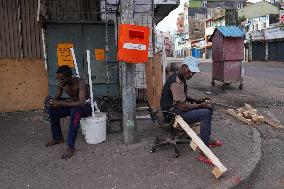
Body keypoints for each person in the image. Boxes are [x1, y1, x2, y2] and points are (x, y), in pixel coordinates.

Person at [160, 56, 222, 165]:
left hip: (176, 108)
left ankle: (206, 140)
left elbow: (184, 97)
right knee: (205, 113)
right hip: (172, 114)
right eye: (190, 71)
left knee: (209, 108)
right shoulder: (176, 82)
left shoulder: (181, 78)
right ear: (184, 67)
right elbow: (182, 106)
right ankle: (203, 153)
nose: (191, 75)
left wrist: (198, 101)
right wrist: (201, 105)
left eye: (193, 73)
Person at [45, 65, 92, 159]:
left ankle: (71, 146)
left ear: (70, 77)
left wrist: (61, 103)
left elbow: (82, 103)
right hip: (73, 106)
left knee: (75, 113)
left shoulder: (80, 83)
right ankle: (58, 138)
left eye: (62, 79)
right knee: (53, 110)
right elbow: (56, 99)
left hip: (85, 107)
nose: (60, 81)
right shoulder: (61, 84)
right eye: (59, 79)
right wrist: (51, 103)